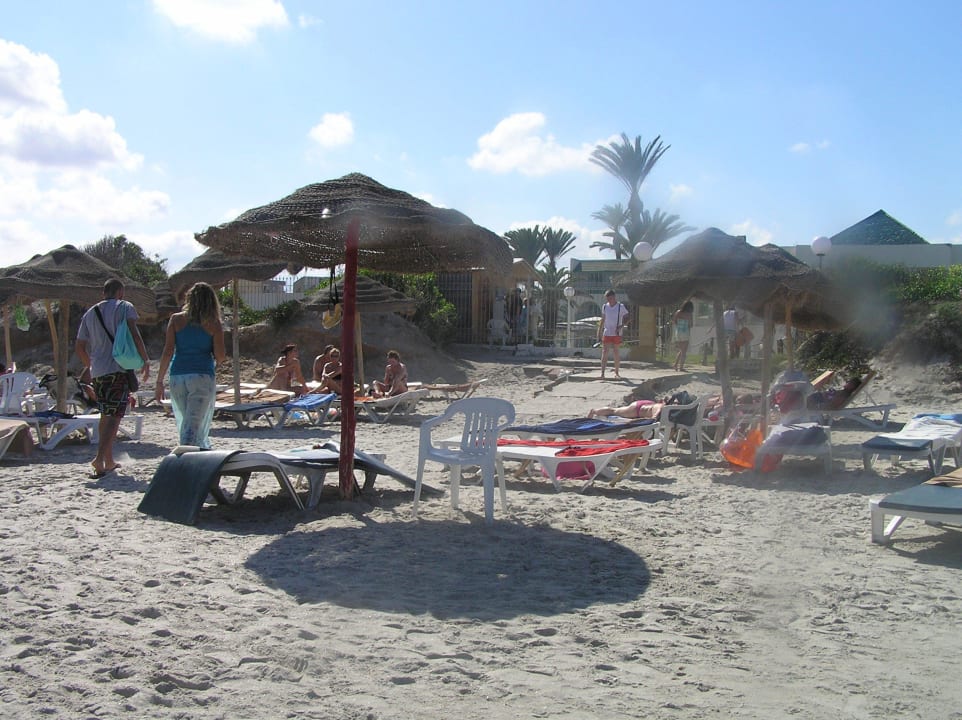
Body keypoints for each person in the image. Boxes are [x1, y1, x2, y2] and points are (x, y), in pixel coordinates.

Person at [75, 278, 150, 478]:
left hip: (98, 372)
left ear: (103, 293)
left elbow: (79, 346)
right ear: (120, 292)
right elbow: (135, 334)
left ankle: (108, 460)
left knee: (105, 414)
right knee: (115, 417)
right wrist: (145, 359)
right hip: (118, 368)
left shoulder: (90, 313)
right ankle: (99, 458)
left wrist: (91, 365)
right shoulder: (125, 307)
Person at [154, 282, 227, 449]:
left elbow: (167, 352)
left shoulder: (176, 319)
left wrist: (159, 381)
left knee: (185, 421)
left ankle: (195, 452)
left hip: (178, 375)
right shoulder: (213, 323)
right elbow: (221, 356)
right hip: (202, 375)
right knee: (193, 424)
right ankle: (188, 455)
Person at [598, 289, 629, 379]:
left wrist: (621, 326)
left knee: (616, 352)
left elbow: (628, 317)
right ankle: (602, 373)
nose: (609, 300)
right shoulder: (605, 306)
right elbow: (603, 319)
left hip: (617, 333)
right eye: (607, 299)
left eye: (610, 298)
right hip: (607, 332)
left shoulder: (620, 306)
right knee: (605, 352)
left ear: (614, 297)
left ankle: (617, 372)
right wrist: (599, 331)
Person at [587, 399, 664, 420]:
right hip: (637, 409)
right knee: (614, 411)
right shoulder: (661, 407)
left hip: (645, 405)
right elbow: (655, 415)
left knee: (615, 410)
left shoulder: (662, 406)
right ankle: (594, 411)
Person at [672, 300, 694, 371]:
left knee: (681, 350)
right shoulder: (689, 314)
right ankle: (681, 367)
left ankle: (675, 365)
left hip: (678, 332)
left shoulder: (678, 312)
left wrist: (680, 324)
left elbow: (674, 321)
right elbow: (691, 325)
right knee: (684, 351)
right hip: (685, 333)